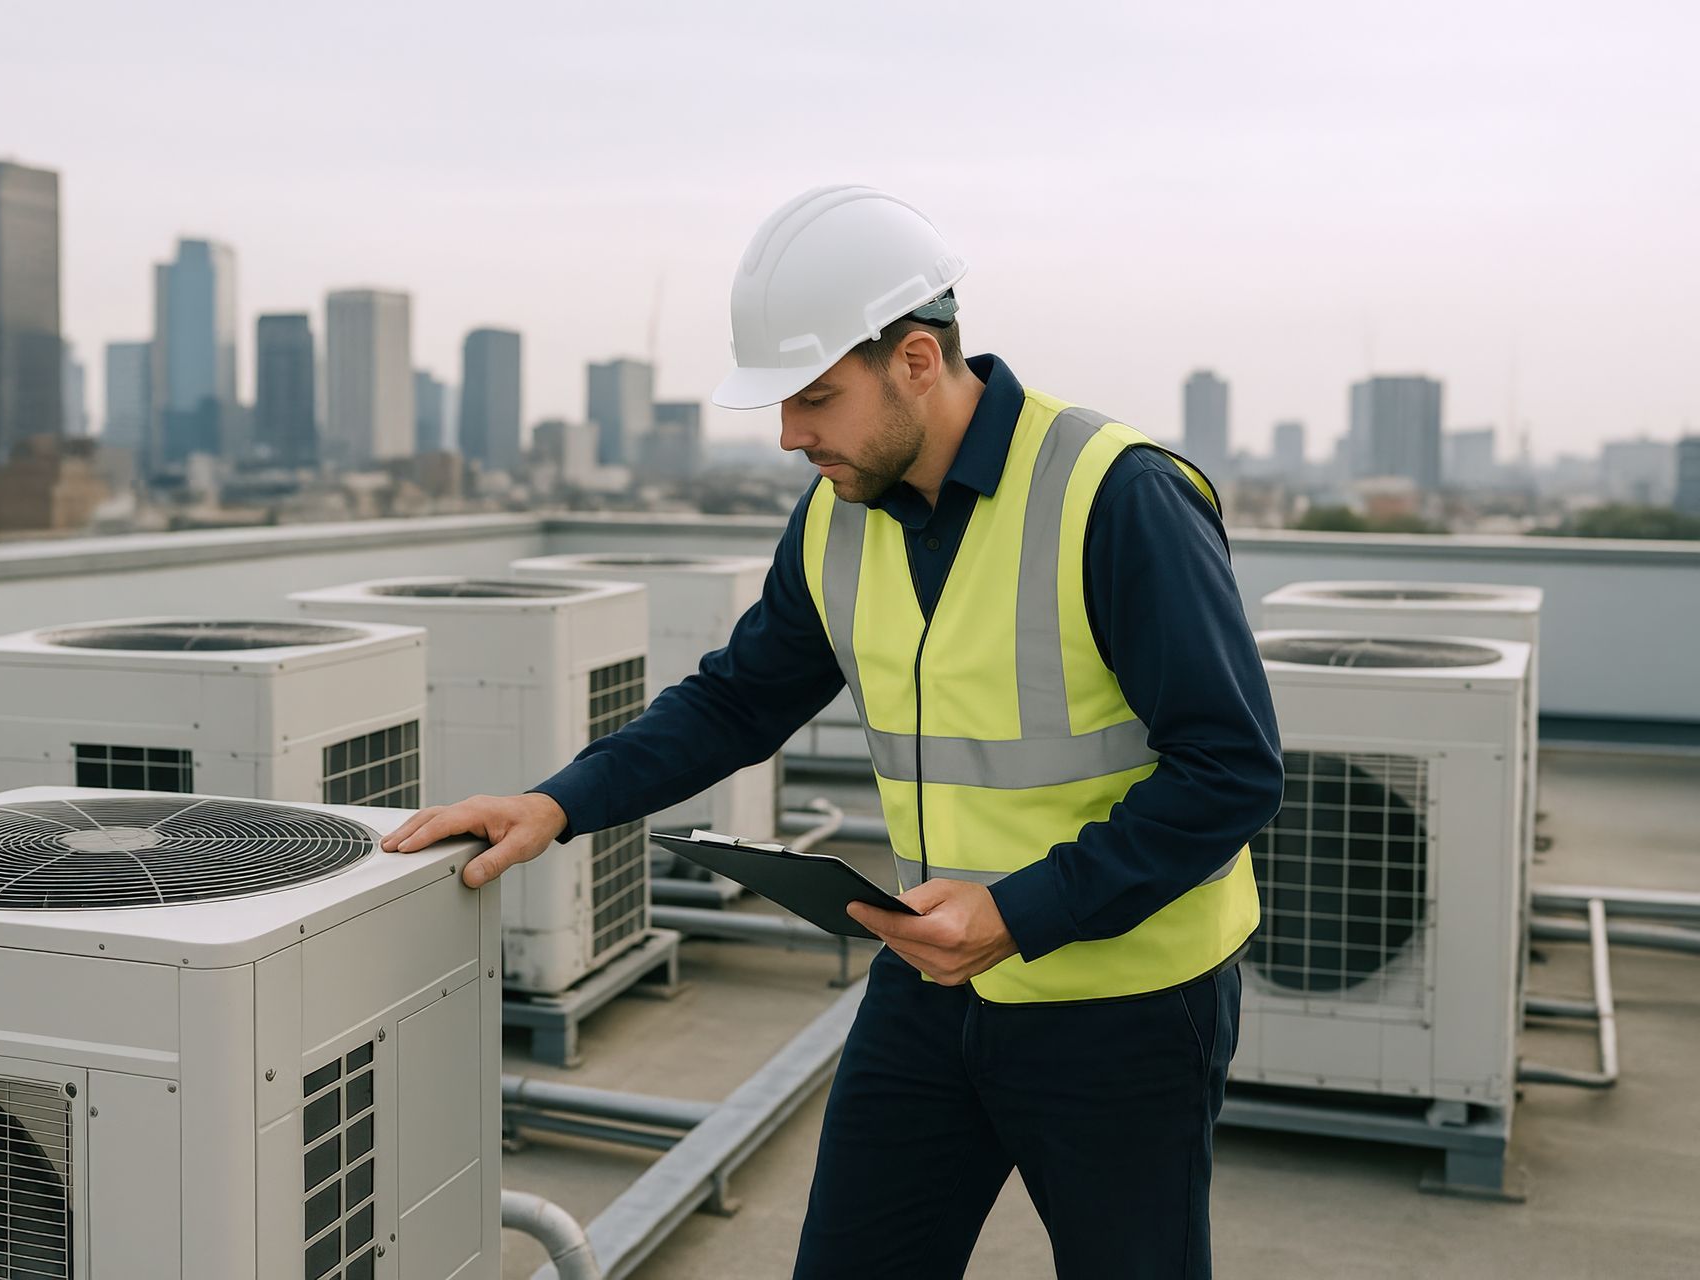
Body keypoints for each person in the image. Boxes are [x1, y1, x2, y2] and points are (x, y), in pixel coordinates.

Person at [382, 185, 1283, 1278]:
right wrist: (558, 800)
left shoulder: (1118, 497)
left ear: (916, 358)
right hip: (933, 972)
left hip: (1128, 1001)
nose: (788, 435)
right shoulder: (834, 517)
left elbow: (1232, 770)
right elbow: (737, 698)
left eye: (813, 397)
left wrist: (1021, 909)